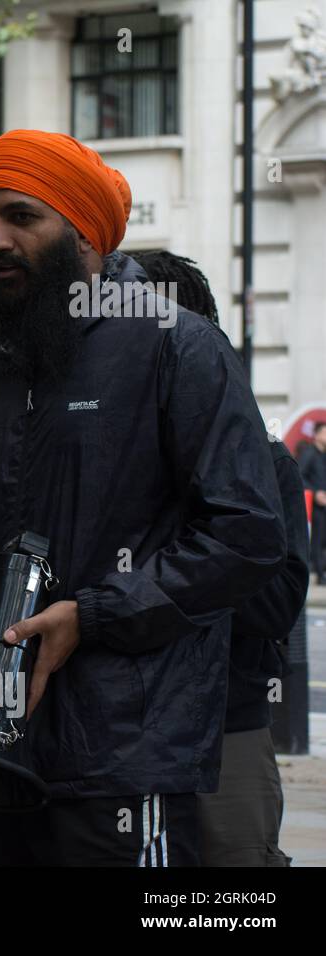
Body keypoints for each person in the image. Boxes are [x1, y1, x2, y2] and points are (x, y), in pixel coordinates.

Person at [0, 130, 286, 866]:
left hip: (123, 757)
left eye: (21, 217)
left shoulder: (179, 347)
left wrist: (95, 616)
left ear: (83, 231)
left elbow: (247, 535)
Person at [135, 250, 306, 865]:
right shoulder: (103, 455)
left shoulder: (261, 461)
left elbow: (277, 604)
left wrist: (210, 527)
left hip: (226, 729)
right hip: (110, 734)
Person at [298, 422, 326, 584]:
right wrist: (315, 494)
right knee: (316, 539)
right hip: (315, 507)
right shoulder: (309, 453)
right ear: (317, 435)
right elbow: (299, 476)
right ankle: (319, 573)